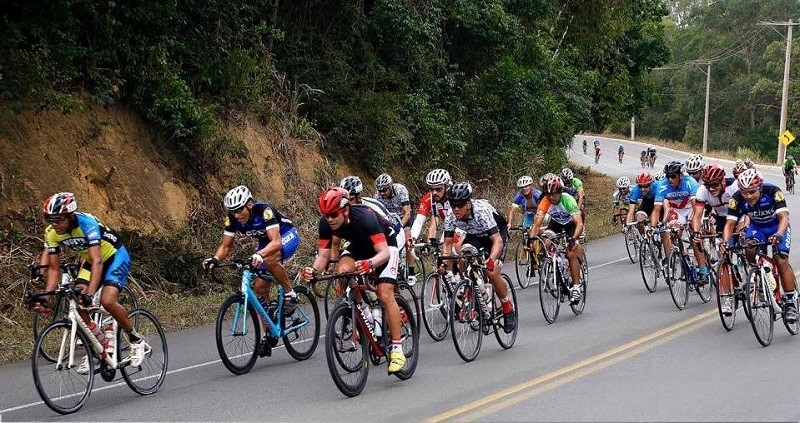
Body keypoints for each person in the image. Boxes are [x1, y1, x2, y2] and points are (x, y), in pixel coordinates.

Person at [36, 192, 148, 373]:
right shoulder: (52, 233)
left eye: (58, 220)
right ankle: (101, 344)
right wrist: (47, 297)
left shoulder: (87, 224)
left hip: (114, 256)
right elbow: (55, 269)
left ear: (70, 216)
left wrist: (90, 294)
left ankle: (136, 340)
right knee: (77, 303)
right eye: (50, 219)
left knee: (107, 301)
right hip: (90, 262)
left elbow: (98, 261)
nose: (54, 224)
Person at [301, 187, 407, 372]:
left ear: (345, 209)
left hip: (386, 245)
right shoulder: (326, 223)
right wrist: (314, 270)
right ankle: (361, 310)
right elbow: (323, 256)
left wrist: (370, 264)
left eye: (333, 214)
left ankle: (397, 349)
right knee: (343, 270)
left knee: (384, 293)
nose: (330, 219)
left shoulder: (365, 216)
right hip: (360, 246)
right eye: (326, 215)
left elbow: (382, 253)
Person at [202, 185, 301, 356]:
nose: (236, 215)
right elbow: (226, 246)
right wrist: (215, 259)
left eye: (239, 210)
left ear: (249, 204)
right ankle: (268, 333)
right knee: (259, 288)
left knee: (270, 258)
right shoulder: (232, 219)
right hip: (265, 242)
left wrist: (260, 254)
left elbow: (276, 242)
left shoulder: (264, 211)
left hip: (285, 235)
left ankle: (290, 293)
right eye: (232, 211)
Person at [721, 169, 797, 321]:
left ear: (760, 188)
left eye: (752, 192)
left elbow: (784, 217)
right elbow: (730, 224)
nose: (748, 196)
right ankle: (759, 276)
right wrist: (725, 242)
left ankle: (790, 302)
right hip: (757, 229)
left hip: (777, 227)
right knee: (748, 247)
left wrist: (779, 234)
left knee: (781, 259)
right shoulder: (736, 198)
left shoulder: (773, 191)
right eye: (744, 193)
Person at [440, 182, 516, 333]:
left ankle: (507, 307)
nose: (456, 209)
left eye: (460, 205)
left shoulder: (481, 211)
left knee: (492, 272)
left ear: (468, 203)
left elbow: (497, 241)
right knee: (462, 256)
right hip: (475, 235)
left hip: (496, 234)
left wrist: (491, 260)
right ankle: (472, 288)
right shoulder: (450, 214)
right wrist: (445, 264)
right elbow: (447, 244)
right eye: (453, 205)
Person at [529, 176, 586, 304]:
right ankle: (553, 266)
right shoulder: (545, 201)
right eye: (548, 194)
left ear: (560, 192)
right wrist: (531, 239)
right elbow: (537, 224)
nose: (551, 197)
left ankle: (576, 287)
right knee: (546, 242)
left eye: (554, 194)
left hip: (570, 224)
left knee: (571, 252)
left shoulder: (568, 200)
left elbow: (579, 224)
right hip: (555, 224)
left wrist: (573, 238)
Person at [691, 164, 737, 285]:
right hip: (722, 218)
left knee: (748, 245)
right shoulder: (702, 190)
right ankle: (730, 277)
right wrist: (696, 232)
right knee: (724, 251)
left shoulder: (734, 186)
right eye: (707, 185)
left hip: (739, 216)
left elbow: (748, 208)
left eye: (714, 185)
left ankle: (752, 274)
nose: (711, 189)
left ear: (723, 180)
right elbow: (697, 215)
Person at [652, 161, 700, 276]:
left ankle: (703, 266)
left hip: (692, 209)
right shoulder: (662, 185)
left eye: (673, 176)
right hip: (678, 211)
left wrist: (690, 222)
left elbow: (696, 207)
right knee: (674, 232)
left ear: (680, 175)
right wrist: (652, 227)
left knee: (695, 234)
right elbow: (656, 210)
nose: (670, 179)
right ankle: (682, 255)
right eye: (668, 176)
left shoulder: (690, 182)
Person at [375, 173, 416, 273]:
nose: (382, 193)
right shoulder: (377, 196)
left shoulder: (400, 190)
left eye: (385, 190)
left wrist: (399, 227)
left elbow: (407, 213)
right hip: (391, 219)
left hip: (404, 215)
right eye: (380, 191)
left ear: (391, 186)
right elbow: (377, 215)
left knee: (407, 240)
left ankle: (411, 271)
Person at [409, 168, 452, 243]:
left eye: (438, 189)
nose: (434, 192)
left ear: (447, 187)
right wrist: (413, 238)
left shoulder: (454, 197)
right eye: (431, 189)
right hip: (449, 226)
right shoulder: (429, 198)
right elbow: (419, 221)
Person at [625, 172, 659, 236]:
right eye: (640, 186)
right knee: (639, 220)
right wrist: (627, 226)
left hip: (658, 203)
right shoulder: (635, 191)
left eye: (645, 186)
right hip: (646, 203)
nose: (642, 189)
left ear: (651, 184)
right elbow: (631, 212)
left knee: (656, 221)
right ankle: (645, 239)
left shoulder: (657, 187)